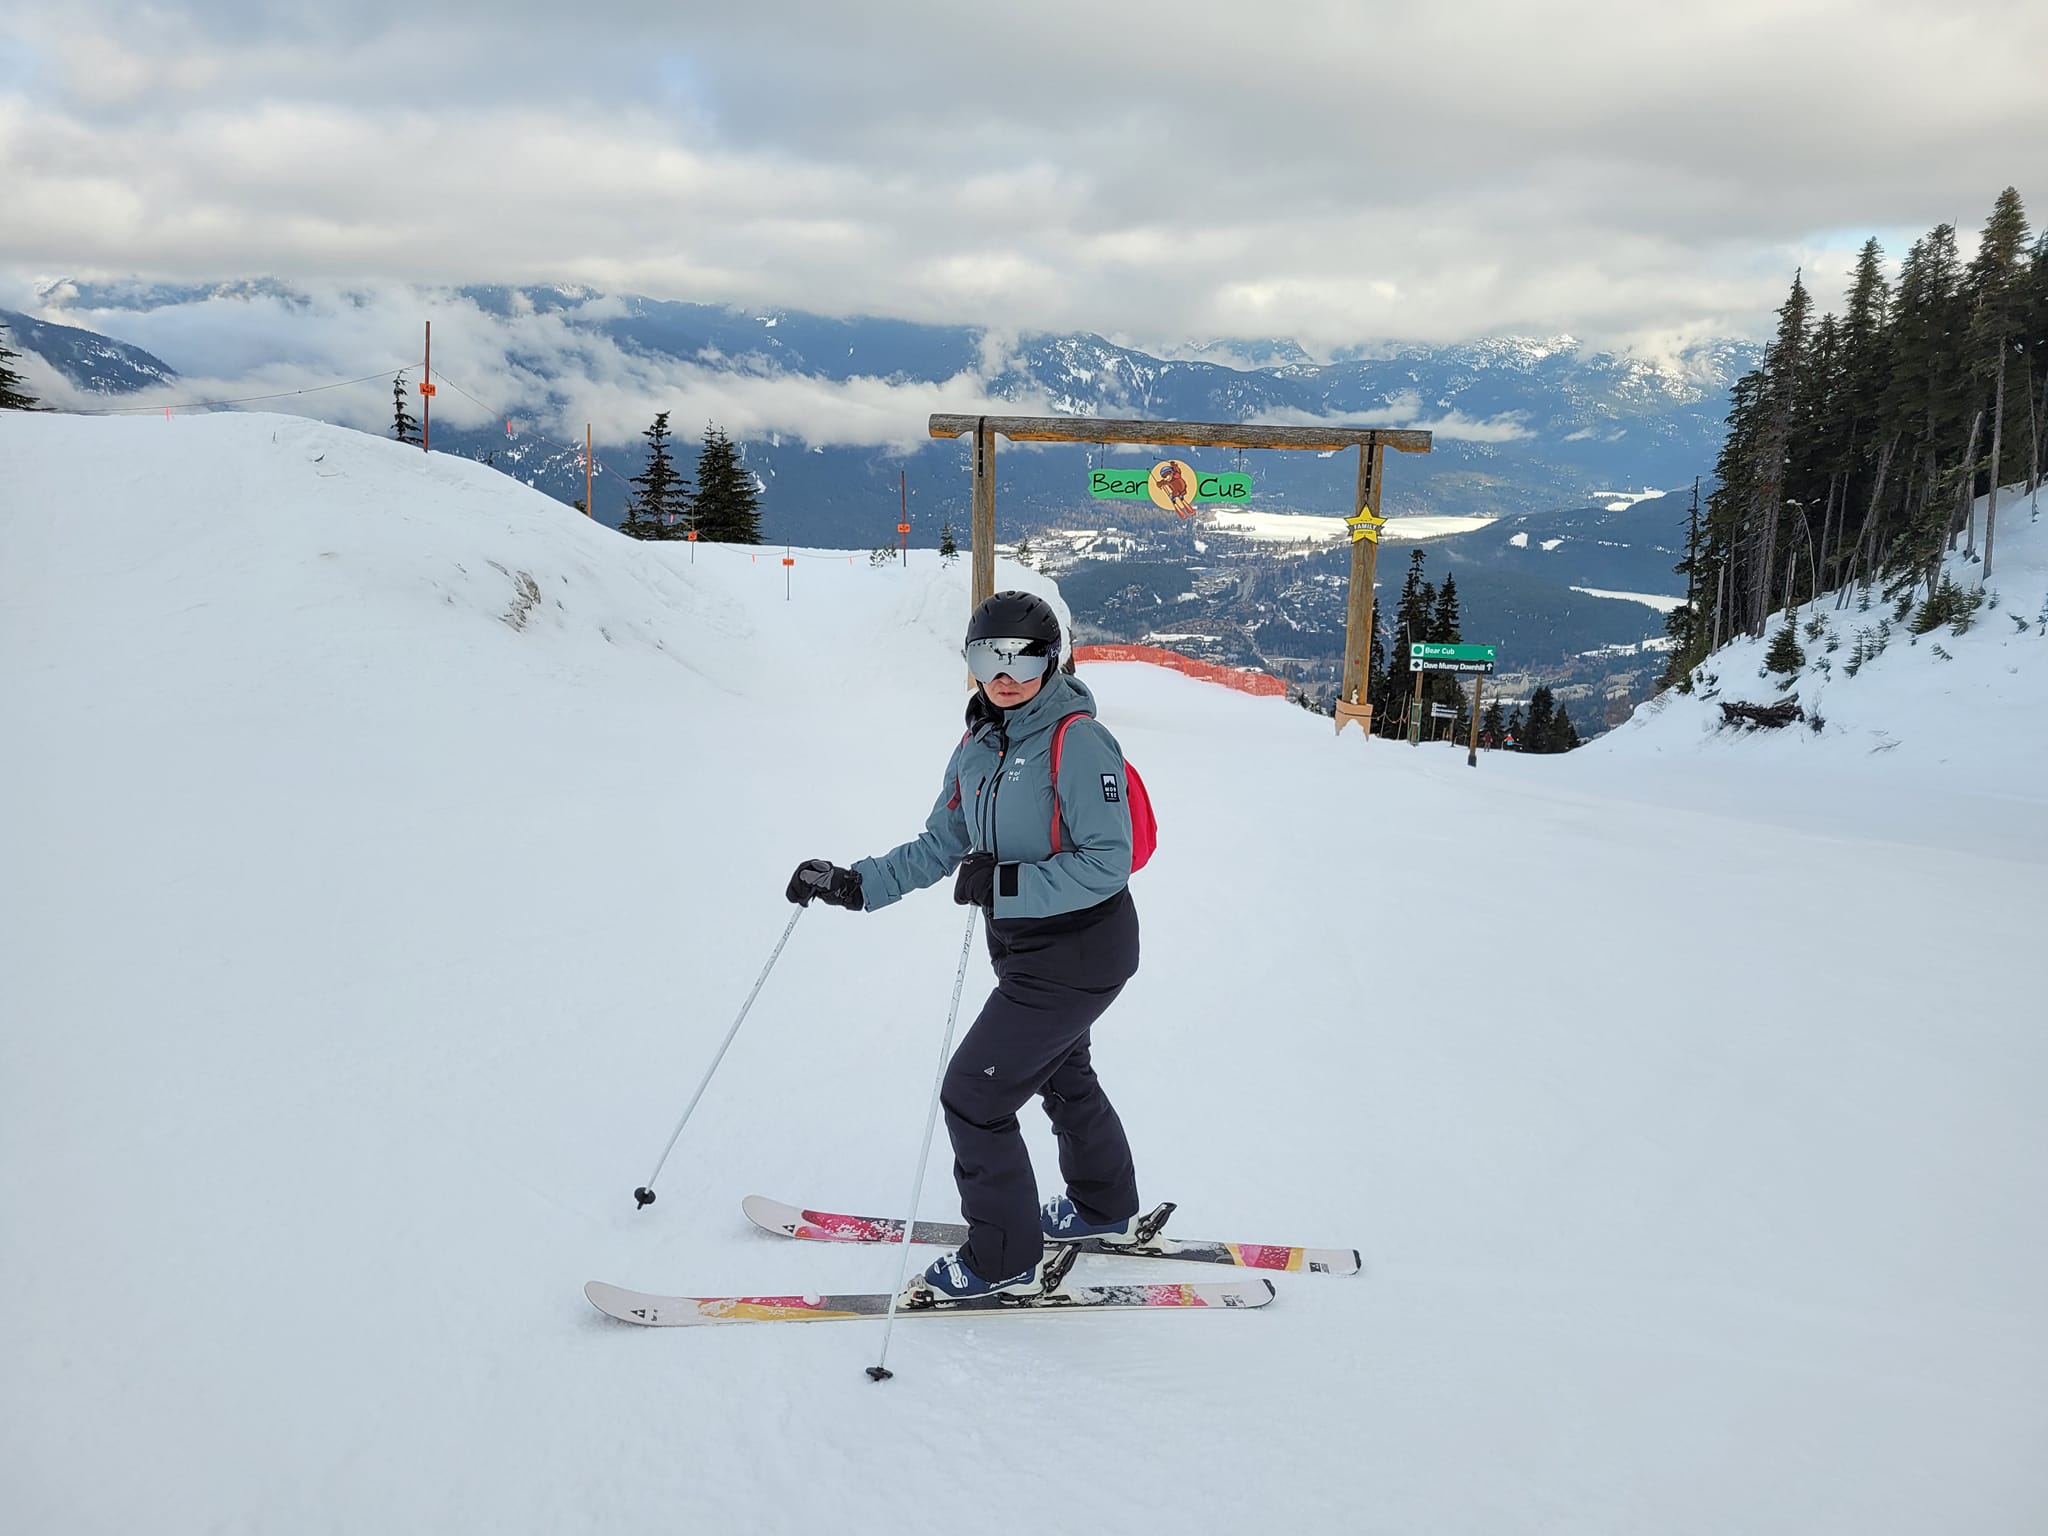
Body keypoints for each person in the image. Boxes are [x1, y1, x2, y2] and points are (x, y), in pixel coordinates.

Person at [785, 590, 1144, 1301]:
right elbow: (942, 843)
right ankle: (1103, 1206)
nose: (1005, 673)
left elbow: (1110, 859)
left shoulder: (1077, 740)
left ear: (1053, 659)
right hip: (1025, 949)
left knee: (974, 1094)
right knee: (1062, 1072)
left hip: (1082, 950)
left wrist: (1005, 885)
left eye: (1023, 656)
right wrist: (856, 884)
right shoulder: (980, 741)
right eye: (988, 655)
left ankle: (1004, 1256)